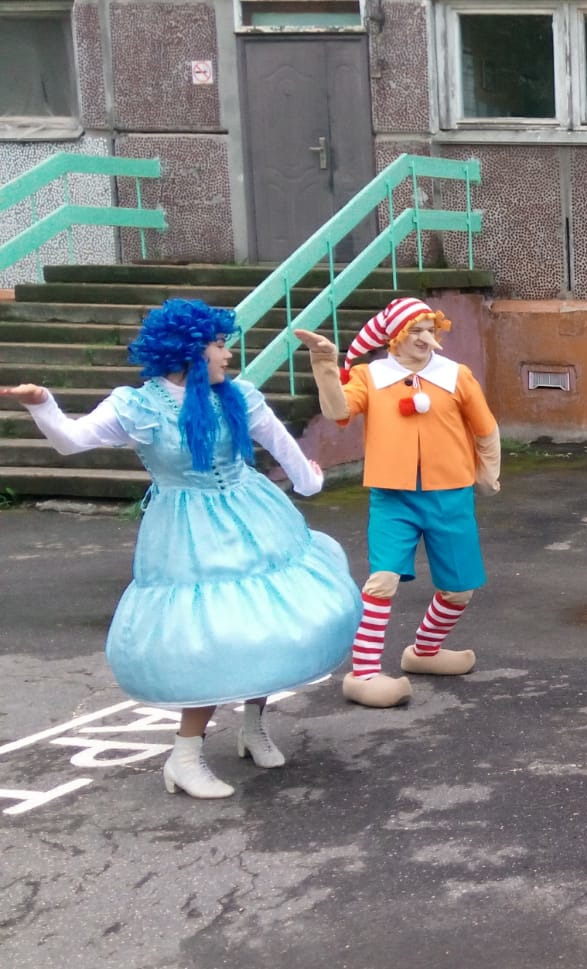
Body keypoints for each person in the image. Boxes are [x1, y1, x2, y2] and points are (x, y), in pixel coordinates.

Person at [0, 298, 361, 798]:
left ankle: (253, 725)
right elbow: (71, 441)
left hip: (255, 517)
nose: (227, 354)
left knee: (270, 628)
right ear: (190, 350)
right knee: (208, 639)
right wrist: (42, 403)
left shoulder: (239, 396)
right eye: (219, 345)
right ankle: (184, 757)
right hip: (189, 533)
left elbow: (283, 448)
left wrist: (310, 482)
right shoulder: (137, 406)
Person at [296, 298, 501, 708]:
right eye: (416, 331)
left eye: (430, 330)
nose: (426, 338)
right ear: (394, 338)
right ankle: (364, 673)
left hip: (451, 494)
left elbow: (485, 428)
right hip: (393, 497)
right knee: (382, 581)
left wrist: (488, 471)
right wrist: (324, 365)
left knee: (459, 590)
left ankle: (424, 651)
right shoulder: (371, 376)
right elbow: (338, 410)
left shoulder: (456, 376)